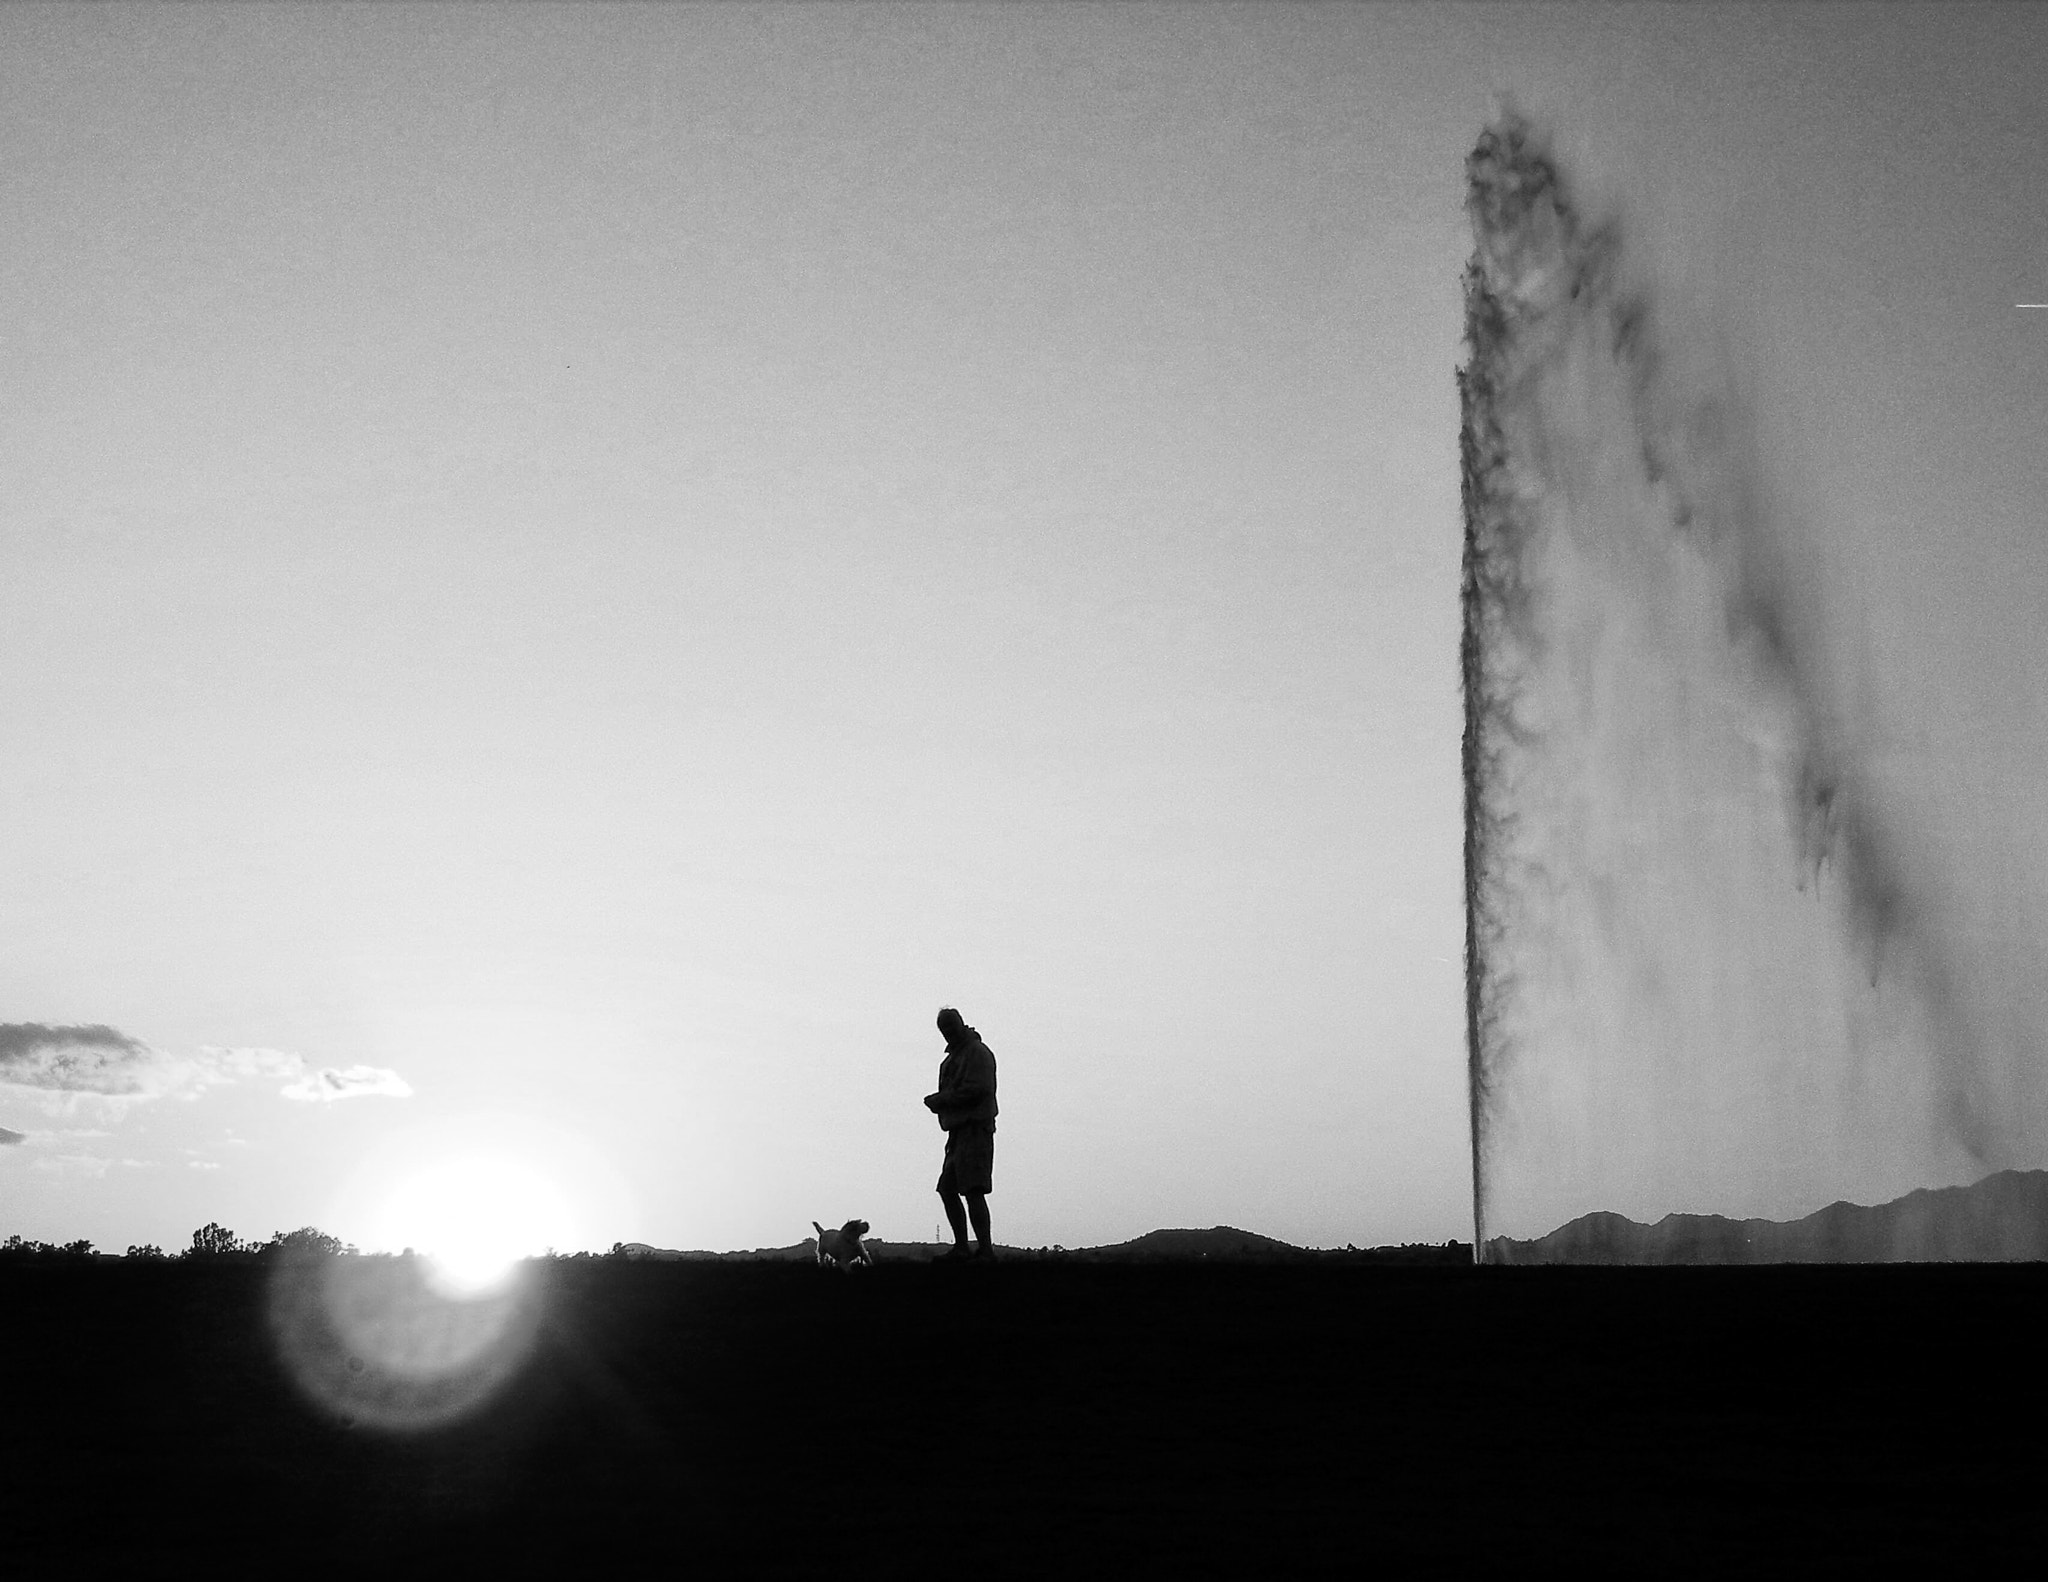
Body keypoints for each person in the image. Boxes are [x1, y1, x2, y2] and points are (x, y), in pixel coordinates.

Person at [923, 1006, 997, 1262]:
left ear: (961, 1024)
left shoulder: (977, 1053)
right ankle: (962, 1246)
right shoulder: (951, 1060)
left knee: (973, 1189)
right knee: (948, 1188)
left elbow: (978, 1090)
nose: (947, 1034)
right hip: (956, 1132)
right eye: (943, 1030)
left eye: (950, 1027)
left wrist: (942, 1100)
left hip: (976, 1128)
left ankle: (985, 1250)